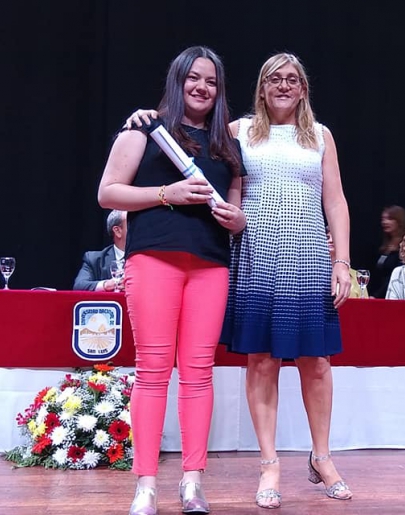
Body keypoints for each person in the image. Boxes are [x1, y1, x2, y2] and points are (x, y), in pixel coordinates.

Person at [127, 52, 353, 509]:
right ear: (262, 88)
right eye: (275, 79)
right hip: (255, 253)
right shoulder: (236, 132)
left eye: (292, 79)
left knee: (317, 362)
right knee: (262, 362)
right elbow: (184, 137)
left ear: (303, 88)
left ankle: (322, 456)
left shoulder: (321, 135)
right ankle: (269, 464)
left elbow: (336, 200)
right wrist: (145, 117)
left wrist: (343, 261)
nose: (284, 86)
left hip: (309, 254)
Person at [99, 46, 247, 515]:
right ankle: (145, 484)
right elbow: (108, 193)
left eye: (212, 81)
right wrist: (169, 193)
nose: (202, 88)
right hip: (154, 260)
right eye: (194, 78)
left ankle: (192, 482)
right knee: (153, 370)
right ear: (178, 80)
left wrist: (236, 220)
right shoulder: (144, 128)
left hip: (210, 265)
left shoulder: (228, 145)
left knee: (199, 373)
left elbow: (237, 209)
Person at [73, 210, 128, 291]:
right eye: (132, 224)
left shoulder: (146, 257)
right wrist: (107, 285)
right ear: (117, 231)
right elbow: (79, 285)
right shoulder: (94, 259)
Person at [368, 205, 405, 298]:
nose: (384, 222)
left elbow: (395, 277)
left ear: (400, 221)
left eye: (389, 219)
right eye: (383, 219)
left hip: (393, 296)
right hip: (376, 296)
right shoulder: (383, 246)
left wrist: (377, 296)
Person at [327, 226, 362, 299]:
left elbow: (364, 301)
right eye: (327, 237)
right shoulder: (317, 274)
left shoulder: (356, 275)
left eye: (334, 237)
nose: (331, 240)